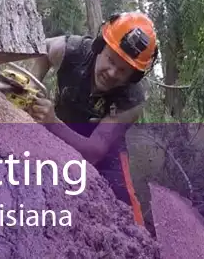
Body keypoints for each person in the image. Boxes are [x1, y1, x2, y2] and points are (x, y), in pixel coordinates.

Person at [26, 12, 159, 227]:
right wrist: (32, 86)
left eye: (123, 71)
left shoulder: (131, 100)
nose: (112, 72)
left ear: (133, 76)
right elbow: (44, 49)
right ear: (99, 47)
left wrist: (51, 122)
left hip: (105, 149)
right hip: (61, 128)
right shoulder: (73, 49)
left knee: (126, 208)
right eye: (110, 60)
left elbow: (95, 152)